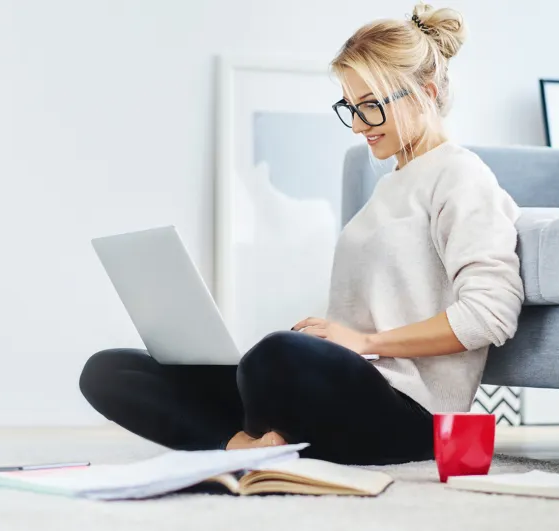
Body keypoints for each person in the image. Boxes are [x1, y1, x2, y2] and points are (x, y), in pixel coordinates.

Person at [79, 3, 524, 465]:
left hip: (411, 413)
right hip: (344, 387)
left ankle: (255, 423)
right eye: (350, 108)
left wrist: (366, 343)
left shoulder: (461, 176)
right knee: (109, 371)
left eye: (370, 107)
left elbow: (491, 314)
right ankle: (246, 447)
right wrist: (329, 336)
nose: (357, 126)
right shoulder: (390, 186)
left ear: (424, 94)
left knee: (273, 358)